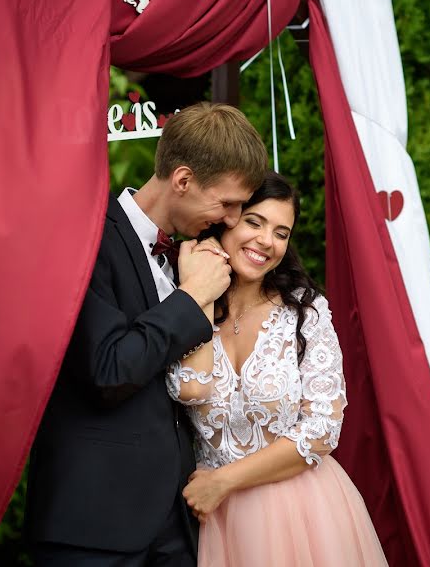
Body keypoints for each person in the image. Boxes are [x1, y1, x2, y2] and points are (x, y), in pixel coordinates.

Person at [24, 102, 268, 565]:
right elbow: (108, 369)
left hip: (174, 526)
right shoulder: (85, 236)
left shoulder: (193, 252)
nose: (234, 219)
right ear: (182, 180)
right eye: (227, 202)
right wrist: (189, 298)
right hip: (93, 526)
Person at [166, 172, 388, 566]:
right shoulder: (178, 300)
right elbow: (192, 389)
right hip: (216, 520)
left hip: (302, 513)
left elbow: (322, 429)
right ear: (226, 219)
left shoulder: (306, 311)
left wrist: (224, 481)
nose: (267, 241)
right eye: (254, 222)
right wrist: (199, 291)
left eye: (281, 232)